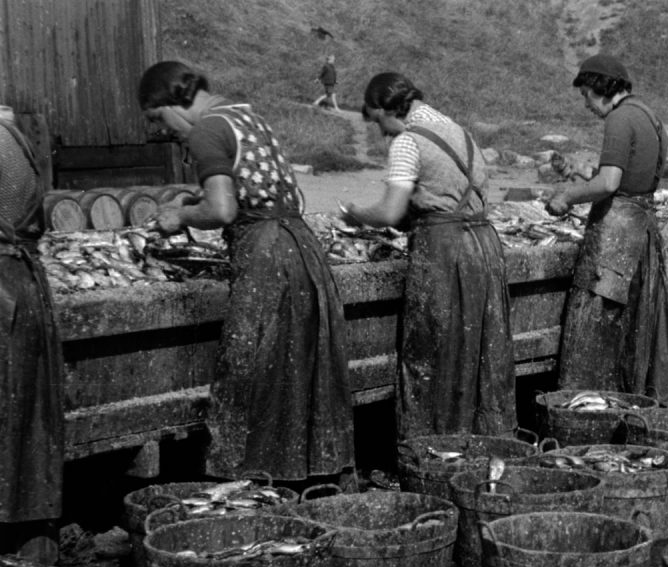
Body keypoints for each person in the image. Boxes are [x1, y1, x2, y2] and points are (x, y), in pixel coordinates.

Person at [138, 61, 355, 486]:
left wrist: (179, 215)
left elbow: (222, 210)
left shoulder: (205, 130)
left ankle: (251, 486)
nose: (165, 131)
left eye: (157, 118)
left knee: (250, 370)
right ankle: (306, 478)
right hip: (300, 246)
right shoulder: (245, 114)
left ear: (172, 102)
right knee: (297, 370)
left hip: (266, 256)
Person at [341, 72, 516, 438]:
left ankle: (428, 449)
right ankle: (485, 441)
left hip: (443, 251)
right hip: (483, 246)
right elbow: (449, 196)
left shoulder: (407, 142)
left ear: (389, 110)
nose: (382, 133)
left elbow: (389, 213)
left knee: (431, 352)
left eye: (378, 122)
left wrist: (356, 213)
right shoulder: (458, 131)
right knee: (481, 351)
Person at [547, 54, 668, 402]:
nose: (587, 105)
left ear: (600, 89)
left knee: (597, 329)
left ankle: (590, 405)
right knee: (631, 330)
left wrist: (567, 196)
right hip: (643, 229)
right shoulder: (650, 116)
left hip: (616, 237)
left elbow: (609, 182)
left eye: (587, 96)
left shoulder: (620, 120)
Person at [0, 109, 63, 564]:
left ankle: (24, 553)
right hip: (19, 279)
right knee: (25, 417)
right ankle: (33, 546)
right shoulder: (9, 132)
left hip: (5, 287)